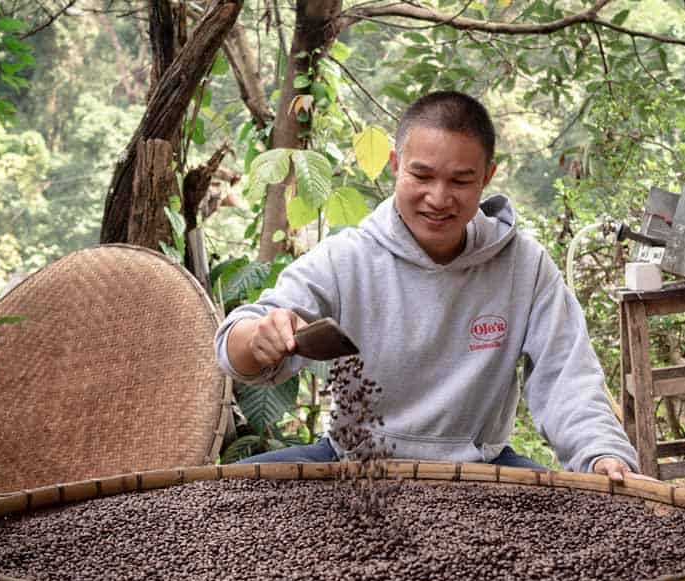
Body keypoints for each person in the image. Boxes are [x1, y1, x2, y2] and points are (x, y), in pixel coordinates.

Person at [214, 91, 641, 482]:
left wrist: (602, 454)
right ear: (397, 165)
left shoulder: (524, 267)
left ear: (486, 177)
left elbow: (568, 377)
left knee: (572, 515)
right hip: (354, 464)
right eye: (421, 176)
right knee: (226, 493)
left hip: (480, 469)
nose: (438, 198)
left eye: (460, 181)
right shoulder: (347, 258)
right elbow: (237, 346)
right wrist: (258, 339)